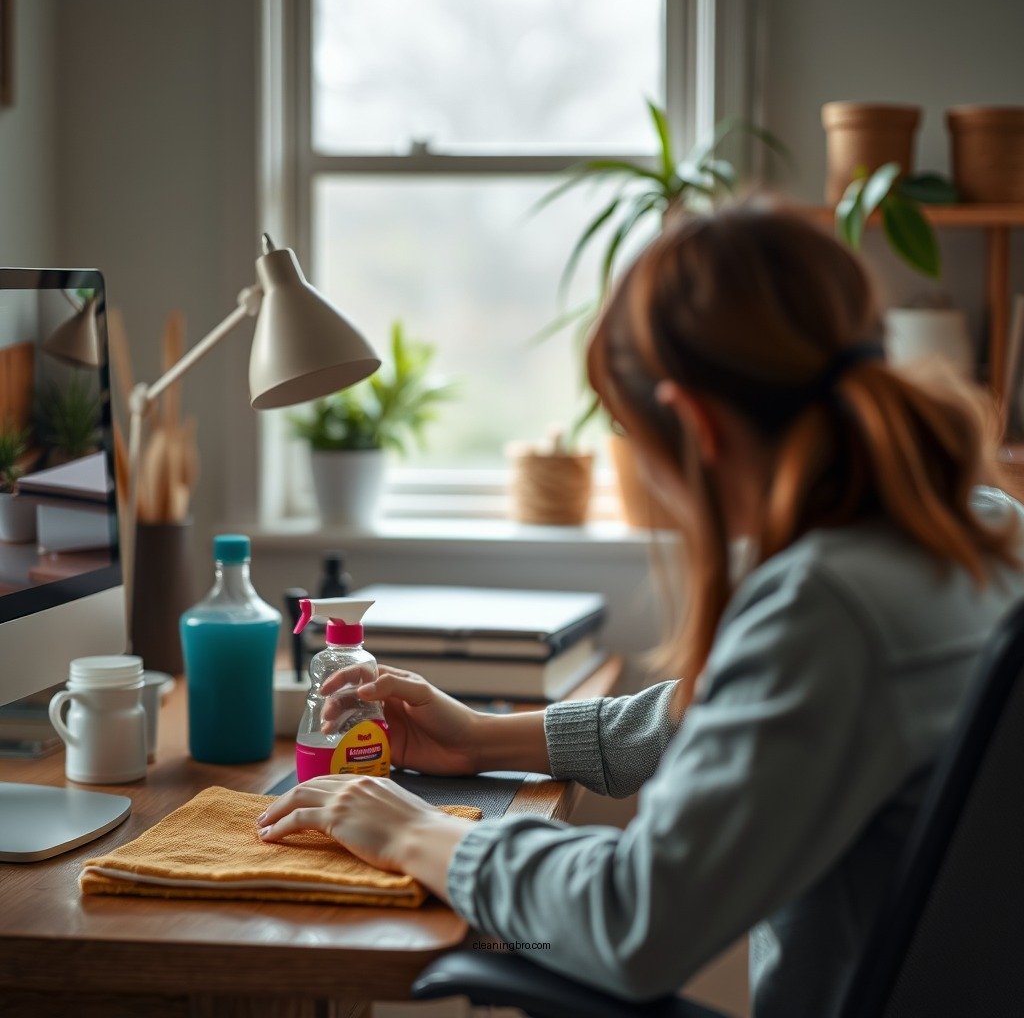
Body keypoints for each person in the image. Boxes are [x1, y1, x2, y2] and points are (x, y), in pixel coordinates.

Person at [256, 203, 1024, 1016]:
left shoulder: (827, 605)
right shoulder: (986, 530)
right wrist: (482, 735)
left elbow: (635, 922)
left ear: (695, 425)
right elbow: (751, 716)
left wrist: (414, 832)